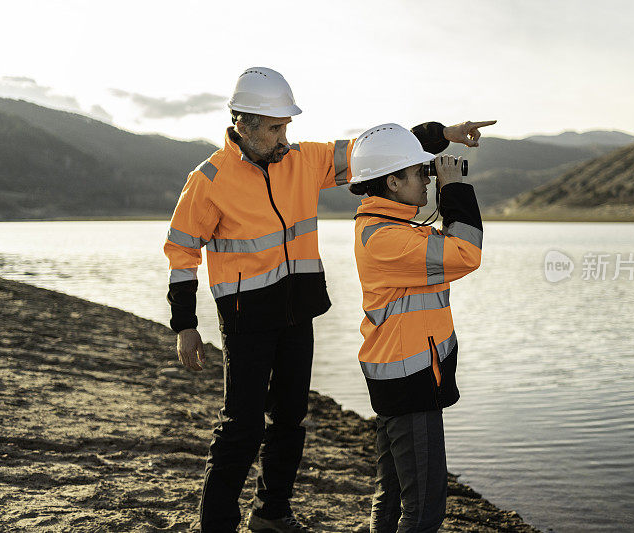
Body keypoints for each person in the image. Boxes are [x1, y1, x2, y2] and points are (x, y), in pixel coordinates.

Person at [163, 66, 490, 532]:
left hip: (298, 311)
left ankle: (271, 513)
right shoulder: (209, 179)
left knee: (291, 419)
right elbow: (181, 250)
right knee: (241, 427)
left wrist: (441, 134)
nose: (284, 137)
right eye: (275, 128)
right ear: (244, 124)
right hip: (246, 317)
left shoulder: (302, 159)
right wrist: (185, 324)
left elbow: (375, 154)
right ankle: (217, 524)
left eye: (286, 126)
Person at [348, 121, 491, 532]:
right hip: (409, 381)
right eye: (417, 173)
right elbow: (466, 252)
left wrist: (442, 134)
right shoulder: (388, 239)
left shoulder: (389, 228)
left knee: (392, 495)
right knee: (424, 508)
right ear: (392, 182)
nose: (426, 180)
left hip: (401, 376)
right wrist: (454, 189)